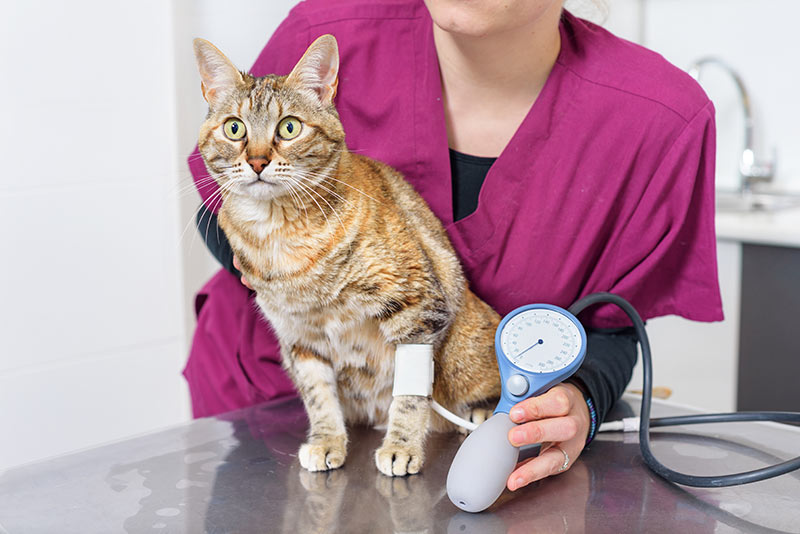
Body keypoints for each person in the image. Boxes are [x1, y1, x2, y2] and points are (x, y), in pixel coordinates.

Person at [187, 0, 722, 492]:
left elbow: (613, 325)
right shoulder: (326, 27)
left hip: (480, 426)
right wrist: (289, 270)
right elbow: (223, 198)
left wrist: (581, 398)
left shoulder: (659, 117)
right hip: (264, 409)